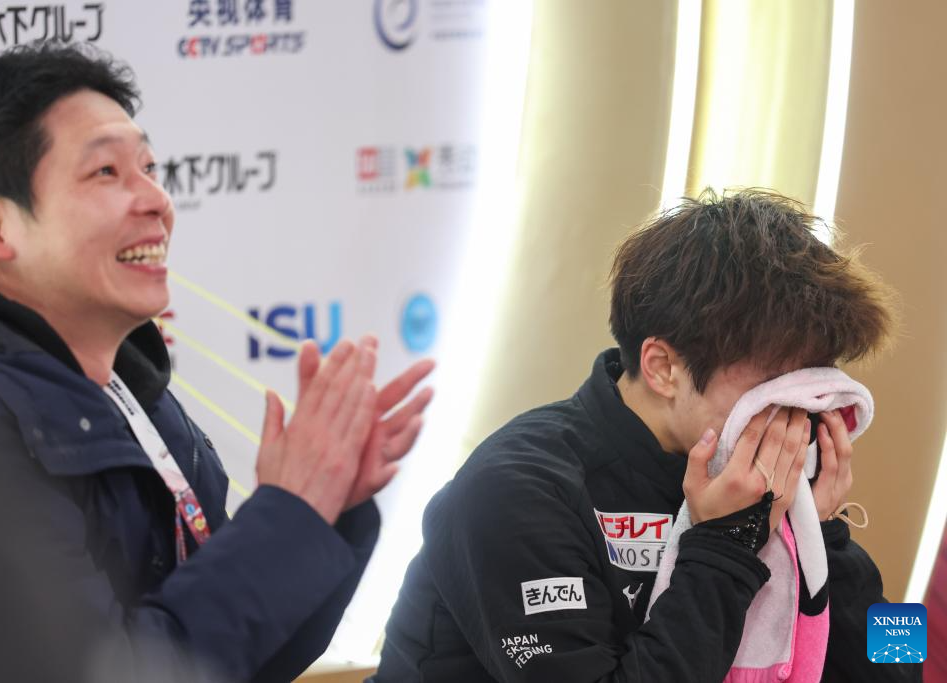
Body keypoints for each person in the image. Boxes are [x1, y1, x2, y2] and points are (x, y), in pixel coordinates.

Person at [0, 43, 433, 682]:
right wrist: (289, 515)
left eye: (149, 167)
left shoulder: (134, 391)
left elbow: (232, 658)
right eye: (105, 172)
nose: (156, 200)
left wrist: (322, 514)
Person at [372, 190, 920, 681]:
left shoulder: (773, 483)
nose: (798, 415)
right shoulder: (517, 489)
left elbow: (903, 661)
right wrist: (726, 545)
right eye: (774, 386)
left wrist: (826, 538)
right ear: (663, 368)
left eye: (817, 386)